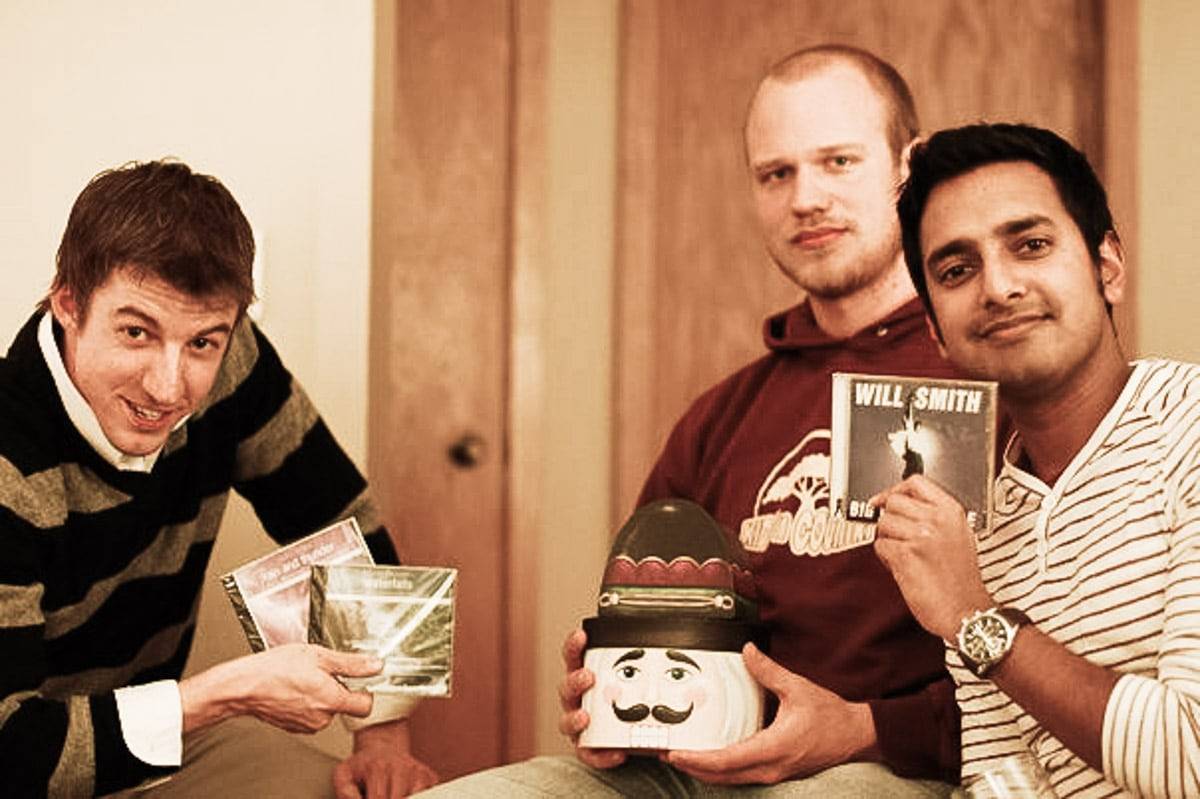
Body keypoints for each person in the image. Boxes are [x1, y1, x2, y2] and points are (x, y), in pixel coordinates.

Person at [417, 44, 961, 797]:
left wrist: (866, 727)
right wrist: (601, 699)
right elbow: (634, 618)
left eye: (838, 162)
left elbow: (1046, 666)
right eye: (777, 173)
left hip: (880, 767)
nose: (805, 197)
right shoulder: (722, 415)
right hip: (675, 771)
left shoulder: (981, 384)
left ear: (911, 165)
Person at [0, 160, 438, 798]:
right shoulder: (10, 459)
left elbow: (340, 521)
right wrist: (229, 692)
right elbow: (12, 751)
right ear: (68, 303)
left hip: (149, 753)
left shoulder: (230, 359)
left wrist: (382, 737)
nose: (168, 386)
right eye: (135, 332)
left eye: (203, 343)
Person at [874, 122, 1200, 797]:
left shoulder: (1190, 428)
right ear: (934, 326)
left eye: (1031, 245)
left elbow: (1191, 757)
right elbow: (1004, 779)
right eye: (957, 269)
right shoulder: (970, 527)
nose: (998, 287)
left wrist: (974, 618)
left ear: (1106, 265)